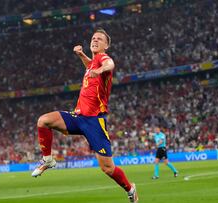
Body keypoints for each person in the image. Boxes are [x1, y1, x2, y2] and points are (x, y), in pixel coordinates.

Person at [31, 28, 138, 202]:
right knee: (43, 121)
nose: (95, 40)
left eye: (99, 39)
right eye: (93, 38)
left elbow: (110, 64)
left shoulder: (103, 60)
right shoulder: (93, 63)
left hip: (94, 121)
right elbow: (90, 67)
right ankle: (48, 160)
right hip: (78, 117)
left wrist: (102, 69)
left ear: (106, 45)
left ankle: (130, 188)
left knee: (108, 169)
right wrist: (81, 55)